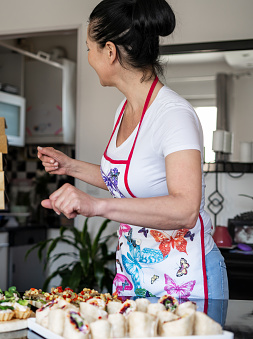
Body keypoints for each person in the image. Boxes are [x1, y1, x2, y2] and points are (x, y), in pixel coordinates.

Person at [37, 0, 228, 300]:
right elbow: (127, 179)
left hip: (184, 285)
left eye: (90, 48)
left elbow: (185, 209)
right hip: (133, 278)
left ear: (110, 52)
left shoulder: (174, 114)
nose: (88, 57)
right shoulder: (124, 110)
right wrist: (70, 166)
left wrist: (97, 206)